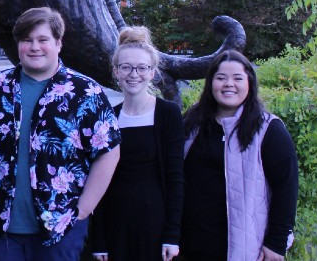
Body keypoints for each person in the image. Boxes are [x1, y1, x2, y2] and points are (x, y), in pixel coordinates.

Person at [0, 7, 121, 261]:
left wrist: (83, 209)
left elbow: (109, 151)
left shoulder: (85, 92)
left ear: (58, 43)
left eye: (42, 40)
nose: (34, 47)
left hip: (60, 228)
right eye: (26, 40)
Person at [179, 51, 298, 261]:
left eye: (237, 78)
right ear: (210, 83)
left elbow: (286, 188)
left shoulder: (268, 129)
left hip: (241, 247)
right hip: (189, 243)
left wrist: (276, 243)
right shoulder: (192, 123)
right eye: (221, 78)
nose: (229, 84)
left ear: (250, 83)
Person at [92, 26, 184, 261]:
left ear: (152, 72)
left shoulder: (168, 114)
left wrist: (172, 235)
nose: (134, 74)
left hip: (156, 222)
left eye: (142, 67)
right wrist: (99, 240)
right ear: (116, 72)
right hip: (116, 223)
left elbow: (176, 178)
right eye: (126, 67)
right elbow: (98, 182)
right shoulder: (107, 117)